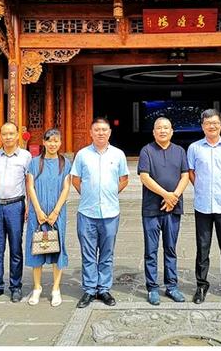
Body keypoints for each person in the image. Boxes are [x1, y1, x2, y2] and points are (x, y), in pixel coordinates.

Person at [71, 117, 129, 308]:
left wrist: (109, 194)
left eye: (104, 130)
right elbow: (76, 179)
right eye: (97, 130)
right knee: (88, 254)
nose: (101, 133)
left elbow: (124, 179)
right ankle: (89, 290)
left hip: (110, 213)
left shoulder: (118, 154)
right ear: (91, 132)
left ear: (109, 132)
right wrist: (89, 195)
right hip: (87, 213)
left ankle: (103, 289)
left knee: (107, 254)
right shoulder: (82, 155)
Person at [187, 109, 221, 305]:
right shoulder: (194, 148)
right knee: (203, 248)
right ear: (202, 126)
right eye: (208, 123)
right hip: (202, 205)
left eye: (215, 123)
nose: (212, 126)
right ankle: (201, 285)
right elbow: (191, 172)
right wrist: (202, 189)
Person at [138, 117, 190, 305]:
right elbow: (145, 177)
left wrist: (174, 196)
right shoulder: (147, 151)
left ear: (172, 131)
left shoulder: (180, 151)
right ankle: (152, 288)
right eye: (159, 128)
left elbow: (185, 175)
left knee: (170, 249)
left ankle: (172, 286)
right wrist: (165, 195)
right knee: (151, 250)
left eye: (166, 128)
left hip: (173, 208)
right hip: (151, 209)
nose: (162, 131)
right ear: (153, 132)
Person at [0, 122, 32, 303]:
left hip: (15, 206)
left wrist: (28, 205)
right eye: (4, 134)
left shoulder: (26, 156)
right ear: (0, 136)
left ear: (17, 135)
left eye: (11, 133)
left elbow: (29, 182)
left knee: (16, 248)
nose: (8, 137)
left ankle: (15, 287)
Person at [25, 129, 71, 307]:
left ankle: (55, 289)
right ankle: (37, 287)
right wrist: (37, 211)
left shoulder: (65, 163)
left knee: (57, 248)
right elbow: (30, 186)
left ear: (60, 143)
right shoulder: (35, 162)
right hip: (37, 213)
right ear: (44, 142)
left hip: (57, 213)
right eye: (49, 141)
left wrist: (55, 212)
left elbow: (66, 188)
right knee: (37, 247)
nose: (53, 144)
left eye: (56, 141)